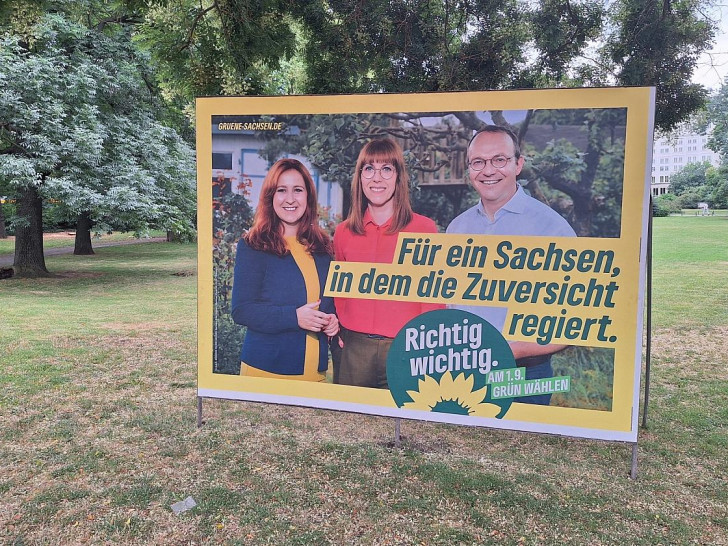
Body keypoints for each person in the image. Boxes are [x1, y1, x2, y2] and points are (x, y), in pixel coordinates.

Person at [446, 125, 576, 405]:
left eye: (499, 160)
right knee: (460, 448)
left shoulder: (551, 229)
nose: (488, 170)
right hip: (463, 372)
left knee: (517, 448)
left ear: (518, 164)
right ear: (469, 170)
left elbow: (572, 325)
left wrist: (506, 350)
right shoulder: (457, 228)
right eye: (478, 162)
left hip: (523, 373)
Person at [333, 138, 443, 388]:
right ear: (360, 178)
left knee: (405, 425)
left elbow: (433, 298)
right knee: (352, 423)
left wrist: (426, 346)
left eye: (386, 169)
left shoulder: (424, 229)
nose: (377, 178)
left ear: (398, 177)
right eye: (369, 169)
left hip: (405, 348)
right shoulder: (343, 232)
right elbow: (340, 291)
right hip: (355, 350)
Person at [231, 158, 339, 381]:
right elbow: (242, 310)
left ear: (308, 197)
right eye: (282, 190)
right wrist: (294, 317)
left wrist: (333, 320)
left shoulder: (322, 247)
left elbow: (327, 305)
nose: (290, 199)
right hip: (266, 373)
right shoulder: (253, 245)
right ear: (271, 197)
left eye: (297, 190)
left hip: (316, 375)